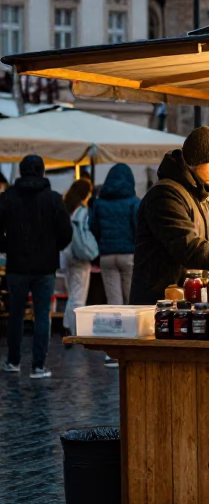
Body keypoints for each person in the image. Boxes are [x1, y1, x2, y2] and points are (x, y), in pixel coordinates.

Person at [130, 126, 209, 304]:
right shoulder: (164, 195)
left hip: (192, 301)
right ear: (196, 161)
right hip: (159, 304)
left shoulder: (207, 194)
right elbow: (187, 246)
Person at [0, 154, 72, 378]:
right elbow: (66, 233)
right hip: (45, 266)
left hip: (17, 265)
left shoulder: (8, 197)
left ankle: (13, 361)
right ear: (42, 171)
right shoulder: (53, 199)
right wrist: (53, 247)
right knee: (42, 316)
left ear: (21, 172)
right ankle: (39, 366)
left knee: (16, 315)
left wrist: (8, 246)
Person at [89, 163, 140, 307]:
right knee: (130, 298)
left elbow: (93, 226)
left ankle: (117, 328)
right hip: (129, 254)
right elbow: (139, 228)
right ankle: (130, 328)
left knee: (114, 301)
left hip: (106, 255)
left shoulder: (99, 203)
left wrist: (102, 241)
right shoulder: (134, 202)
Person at [60, 177, 96, 336]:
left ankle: (67, 324)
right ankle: (73, 329)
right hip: (80, 255)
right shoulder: (82, 211)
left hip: (65, 253)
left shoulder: (65, 208)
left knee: (72, 293)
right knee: (79, 295)